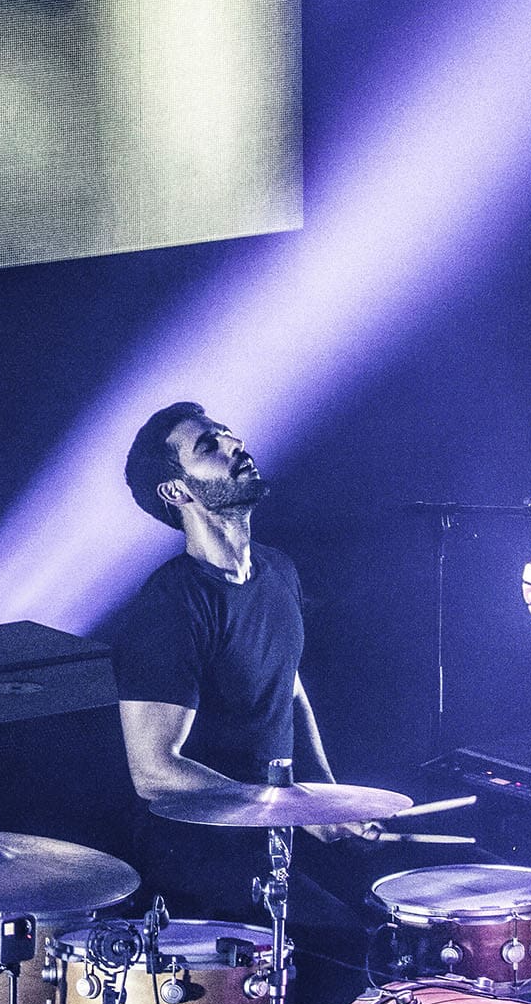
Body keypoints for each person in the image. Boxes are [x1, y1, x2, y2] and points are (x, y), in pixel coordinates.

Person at [107, 400, 362, 956]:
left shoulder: (279, 570)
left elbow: (288, 686)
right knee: (347, 948)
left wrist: (325, 796)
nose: (234, 446)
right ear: (177, 491)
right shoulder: (170, 605)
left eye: (229, 436)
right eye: (209, 446)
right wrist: (281, 804)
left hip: (275, 836)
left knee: (405, 908)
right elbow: (153, 771)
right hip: (199, 859)